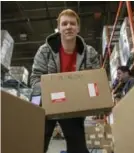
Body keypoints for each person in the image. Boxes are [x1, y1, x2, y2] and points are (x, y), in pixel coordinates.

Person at [30, 9, 100, 153]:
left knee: (78, 146)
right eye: (64, 24)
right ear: (59, 28)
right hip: (47, 103)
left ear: (78, 28)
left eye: (72, 24)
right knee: (37, 142)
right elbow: (35, 79)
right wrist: (47, 93)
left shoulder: (90, 53)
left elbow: (95, 80)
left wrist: (95, 103)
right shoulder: (44, 51)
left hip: (72, 105)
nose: (69, 27)